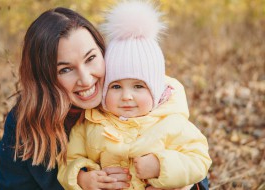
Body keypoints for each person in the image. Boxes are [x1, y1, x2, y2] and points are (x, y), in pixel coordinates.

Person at [0, 4, 210, 190]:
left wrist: (184, 184)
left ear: (103, 51)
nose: (86, 80)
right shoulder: (27, 125)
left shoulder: (152, 99)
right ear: (45, 78)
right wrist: (82, 180)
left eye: (91, 59)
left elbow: (194, 161)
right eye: (65, 70)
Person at [57, 1, 212, 190]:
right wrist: (84, 178)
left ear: (155, 90)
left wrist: (160, 165)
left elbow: (199, 159)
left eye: (138, 86)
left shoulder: (171, 122)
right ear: (105, 88)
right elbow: (68, 161)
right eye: (116, 87)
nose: (126, 96)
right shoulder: (90, 123)